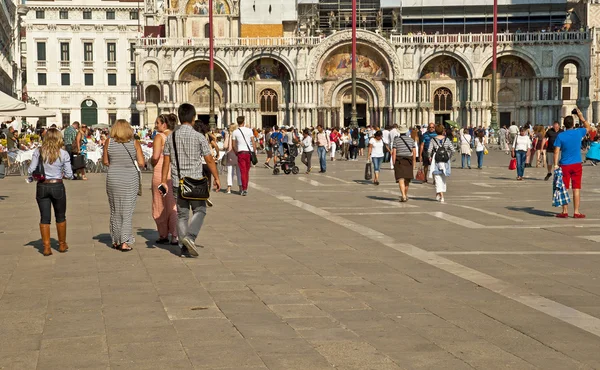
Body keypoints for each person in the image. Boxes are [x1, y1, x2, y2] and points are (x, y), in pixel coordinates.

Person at [160, 103, 220, 257]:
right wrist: (217, 178)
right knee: (200, 210)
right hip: (195, 182)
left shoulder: (170, 137)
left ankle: (183, 248)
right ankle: (190, 237)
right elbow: (209, 159)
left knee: (182, 215)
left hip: (176, 181)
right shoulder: (199, 136)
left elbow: (166, 161)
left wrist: (162, 181)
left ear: (180, 118)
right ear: (193, 118)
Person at [28, 128, 73, 256]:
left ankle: (46, 247)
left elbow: (31, 169)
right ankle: (62, 244)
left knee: (44, 217)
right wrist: (62, 174)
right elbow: (69, 174)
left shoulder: (39, 151)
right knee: (60, 216)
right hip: (57, 185)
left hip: (42, 185)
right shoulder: (63, 153)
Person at [103, 119, 145, 252]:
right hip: (130, 178)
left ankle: (116, 240)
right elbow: (142, 162)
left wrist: (116, 164)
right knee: (127, 210)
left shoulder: (109, 142)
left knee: (115, 209)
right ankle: (124, 241)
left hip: (113, 177)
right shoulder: (134, 143)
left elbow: (105, 161)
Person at [553, 109, 592, 219]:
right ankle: (576, 211)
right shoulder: (578, 132)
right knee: (576, 188)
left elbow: (556, 151)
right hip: (576, 164)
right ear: (573, 124)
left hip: (564, 165)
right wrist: (581, 116)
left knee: (564, 188)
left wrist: (555, 165)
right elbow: (589, 127)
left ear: (564, 125)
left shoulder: (561, 136)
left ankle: (564, 211)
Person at [150, 114, 178, 246]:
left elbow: (155, 157)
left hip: (160, 173)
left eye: (157, 123)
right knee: (173, 205)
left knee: (159, 205)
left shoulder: (159, 137)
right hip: (173, 173)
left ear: (164, 125)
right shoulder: (176, 136)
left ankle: (163, 234)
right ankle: (175, 235)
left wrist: (151, 161)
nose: (155, 125)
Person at [428, 124, 455, 203]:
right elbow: (453, 150)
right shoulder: (447, 140)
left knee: (437, 178)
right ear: (443, 131)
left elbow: (429, 150)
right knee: (443, 178)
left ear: (436, 131)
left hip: (436, 160)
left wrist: (430, 157)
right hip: (445, 161)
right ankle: (438, 193)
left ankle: (441, 196)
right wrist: (448, 156)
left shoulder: (433, 140)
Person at [391, 124, 416, 202]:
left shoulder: (396, 140)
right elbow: (414, 153)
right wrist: (414, 163)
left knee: (401, 179)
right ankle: (405, 195)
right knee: (407, 180)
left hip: (399, 160)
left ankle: (403, 195)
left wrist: (394, 163)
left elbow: (394, 153)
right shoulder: (411, 140)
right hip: (409, 160)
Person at [232, 116, 255, 196]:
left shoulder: (235, 132)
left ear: (237, 122)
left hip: (240, 153)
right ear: (244, 122)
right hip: (248, 153)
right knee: (247, 172)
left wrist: (236, 153)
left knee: (242, 171)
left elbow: (233, 145)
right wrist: (254, 152)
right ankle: (245, 188)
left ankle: (244, 189)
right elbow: (253, 141)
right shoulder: (249, 130)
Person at [223, 123, 242, 194]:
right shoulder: (239, 135)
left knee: (230, 172)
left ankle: (229, 188)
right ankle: (240, 188)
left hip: (230, 155)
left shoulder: (229, 135)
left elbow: (225, 145)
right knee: (239, 172)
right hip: (238, 154)